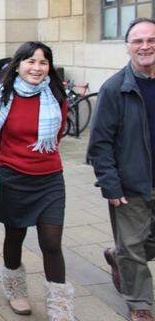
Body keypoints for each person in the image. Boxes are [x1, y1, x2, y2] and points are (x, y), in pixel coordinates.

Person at [0, 41, 74, 318]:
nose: (37, 67)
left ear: (49, 67)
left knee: (51, 242)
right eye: (31, 61)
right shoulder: (2, 96)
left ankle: (60, 306)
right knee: (15, 235)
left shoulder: (57, 96)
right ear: (19, 65)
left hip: (49, 178)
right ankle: (15, 289)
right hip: (13, 177)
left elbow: (56, 136)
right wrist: (2, 162)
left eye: (43, 62)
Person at [88, 18, 155, 321]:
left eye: (151, 40)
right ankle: (140, 303)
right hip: (131, 185)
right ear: (128, 47)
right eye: (138, 41)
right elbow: (100, 144)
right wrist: (110, 185)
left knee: (135, 248)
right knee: (132, 245)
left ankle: (119, 258)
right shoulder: (115, 89)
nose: (145, 46)